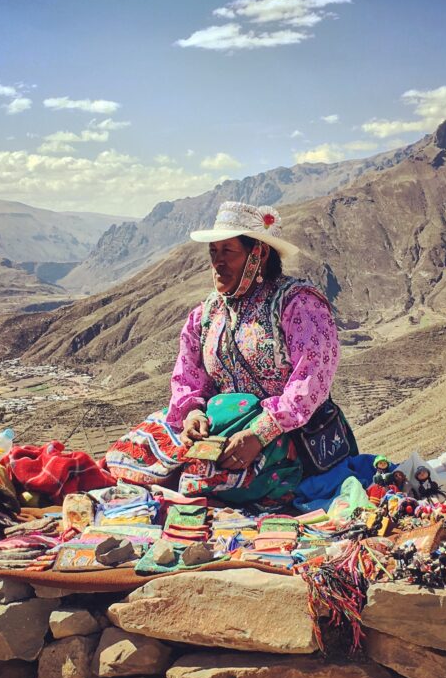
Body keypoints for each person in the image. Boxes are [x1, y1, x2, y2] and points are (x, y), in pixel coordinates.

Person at [105, 201, 354, 504]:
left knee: (203, 476)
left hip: (287, 433)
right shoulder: (208, 312)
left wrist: (260, 433)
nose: (218, 263)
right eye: (214, 252)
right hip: (224, 423)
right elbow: (190, 375)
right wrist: (193, 414)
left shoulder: (299, 305)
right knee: (132, 450)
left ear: (258, 254)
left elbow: (310, 381)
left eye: (228, 252)